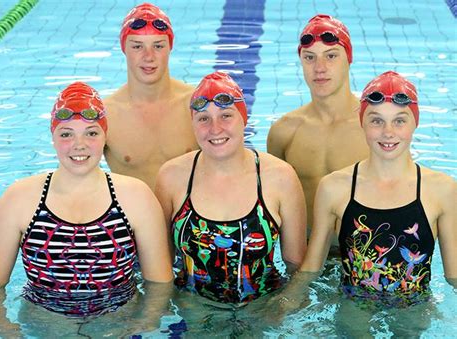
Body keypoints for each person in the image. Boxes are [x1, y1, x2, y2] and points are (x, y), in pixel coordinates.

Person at [0, 82, 173, 320]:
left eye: (91, 132)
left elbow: (159, 285)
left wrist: (142, 327)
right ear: (52, 137)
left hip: (118, 330)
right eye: (66, 134)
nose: (79, 144)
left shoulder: (137, 197)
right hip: (42, 330)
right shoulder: (18, 199)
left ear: (105, 136)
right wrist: (11, 334)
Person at [300, 71, 457, 305]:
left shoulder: (441, 189)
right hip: (353, 303)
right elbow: (311, 270)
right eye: (376, 120)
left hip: (414, 306)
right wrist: (285, 303)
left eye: (399, 120)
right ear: (362, 122)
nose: (388, 132)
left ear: (416, 122)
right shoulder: (334, 187)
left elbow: (454, 276)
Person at [155, 71, 307, 305]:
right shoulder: (172, 177)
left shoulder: (279, 177)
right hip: (192, 307)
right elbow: (161, 266)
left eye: (226, 116)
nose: (215, 129)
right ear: (193, 124)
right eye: (203, 118)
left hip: (262, 308)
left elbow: (297, 266)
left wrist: (284, 308)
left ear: (243, 119)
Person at [267, 14, 369, 229]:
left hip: (361, 258)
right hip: (303, 257)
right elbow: (270, 205)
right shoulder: (284, 132)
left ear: (348, 58)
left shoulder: (374, 127)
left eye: (331, 56)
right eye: (309, 57)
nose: (319, 68)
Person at [103, 3, 198, 190]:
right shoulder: (107, 114)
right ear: (124, 48)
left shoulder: (196, 104)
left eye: (158, 46)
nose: (149, 56)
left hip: (186, 217)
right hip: (133, 218)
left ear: (170, 47)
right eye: (137, 46)